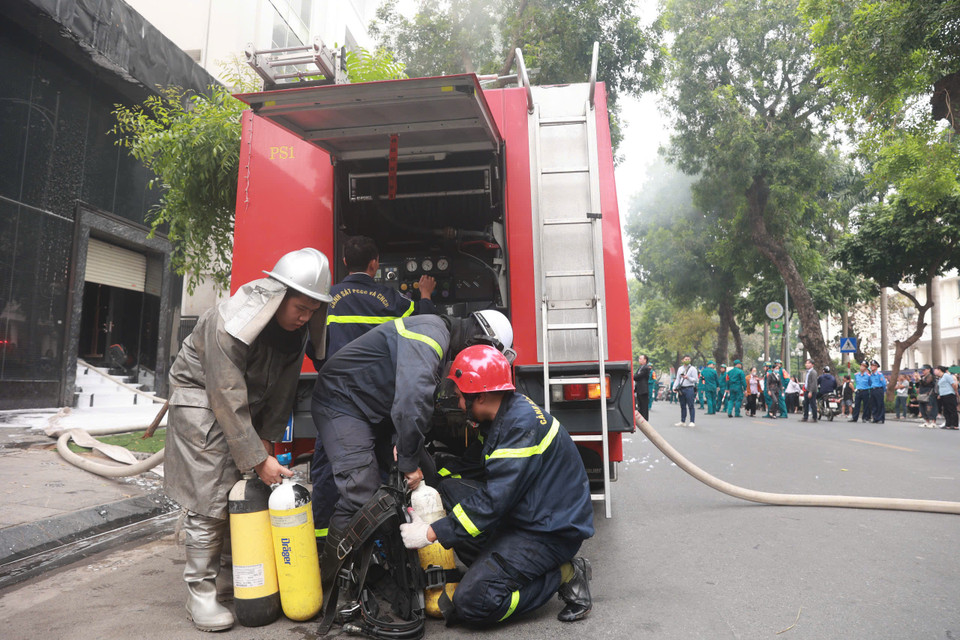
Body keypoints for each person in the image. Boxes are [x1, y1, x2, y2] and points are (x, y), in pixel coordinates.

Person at [163, 247, 332, 631]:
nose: (306, 317)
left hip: (243, 406)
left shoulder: (295, 330)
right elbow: (223, 392)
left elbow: (282, 394)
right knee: (211, 492)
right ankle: (200, 593)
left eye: (312, 311)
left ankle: (228, 578)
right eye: (300, 308)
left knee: (246, 490)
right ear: (279, 295)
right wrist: (257, 458)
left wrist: (267, 447)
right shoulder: (228, 322)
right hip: (201, 401)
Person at [400, 345, 594, 625]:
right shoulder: (503, 415)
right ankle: (498, 567)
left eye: (459, 395)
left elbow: (493, 502)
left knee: (472, 603)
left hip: (550, 532)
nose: (457, 400)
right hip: (530, 511)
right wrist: (424, 469)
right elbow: (473, 466)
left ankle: (562, 573)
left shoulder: (519, 428)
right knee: (449, 490)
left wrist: (430, 533)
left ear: (480, 395)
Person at [312, 309, 514, 544]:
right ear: (479, 339)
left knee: (430, 479)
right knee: (361, 494)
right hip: (342, 402)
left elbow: (410, 401)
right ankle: (333, 575)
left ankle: (397, 559)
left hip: (374, 410)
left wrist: (406, 447)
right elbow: (412, 399)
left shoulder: (441, 342)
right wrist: (407, 463)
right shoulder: (430, 333)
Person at [310, 236, 438, 545]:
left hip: (336, 403)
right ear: (375, 264)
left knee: (329, 472)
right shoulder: (394, 300)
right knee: (384, 468)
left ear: (344, 263)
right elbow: (423, 325)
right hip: (380, 402)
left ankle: (324, 544)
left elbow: (313, 348)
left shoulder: (325, 300)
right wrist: (425, 293)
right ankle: (384, 542)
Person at [672, 356, 699, 427]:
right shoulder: (680, 369)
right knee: (682, 405)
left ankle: (692, 421)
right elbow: (678, 379)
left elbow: (695, 379)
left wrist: (688, 377)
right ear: (682, 360)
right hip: (682, 389)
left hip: (690, 388)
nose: (687, 360)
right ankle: (682, 421)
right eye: (685, 359)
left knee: (691, 405)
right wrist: (674, 387)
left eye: (688, 359)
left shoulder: (693, 369)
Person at [934, 365, 959, 429]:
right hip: (943, 395)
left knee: (952, 409)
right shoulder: (940, 378)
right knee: (946, 410)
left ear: (939, 370)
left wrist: (955, 392)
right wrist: (940, 394)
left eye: (935, 370)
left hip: (949, 394)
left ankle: (955, 424)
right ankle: (948, 424)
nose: (934, 371)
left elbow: (953, 384)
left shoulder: (946, 376)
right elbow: (941, 387)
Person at [634, 354, 653, 421]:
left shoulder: (646, 368)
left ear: (645, 360)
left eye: (640, 359)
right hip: (639, 389)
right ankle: (641, 419)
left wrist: (636, 376)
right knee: (640, 405)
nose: (639, 360)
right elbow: (635, 376)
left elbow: (637, 376)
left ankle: (645, 420)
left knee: (644, 406)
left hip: (643, 389)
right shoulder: (640, 368)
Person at [801, 358, 819, 422]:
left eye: (808, 363)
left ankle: (815, 417)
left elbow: (813, 383)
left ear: (812, 364)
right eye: (806, 363)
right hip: (806, 390)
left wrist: (810, 392)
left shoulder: (813, 372)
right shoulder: (807, 372)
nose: (807, 364)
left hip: (811, 391)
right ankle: (805, 417)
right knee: (805, 404)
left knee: (812, 404)